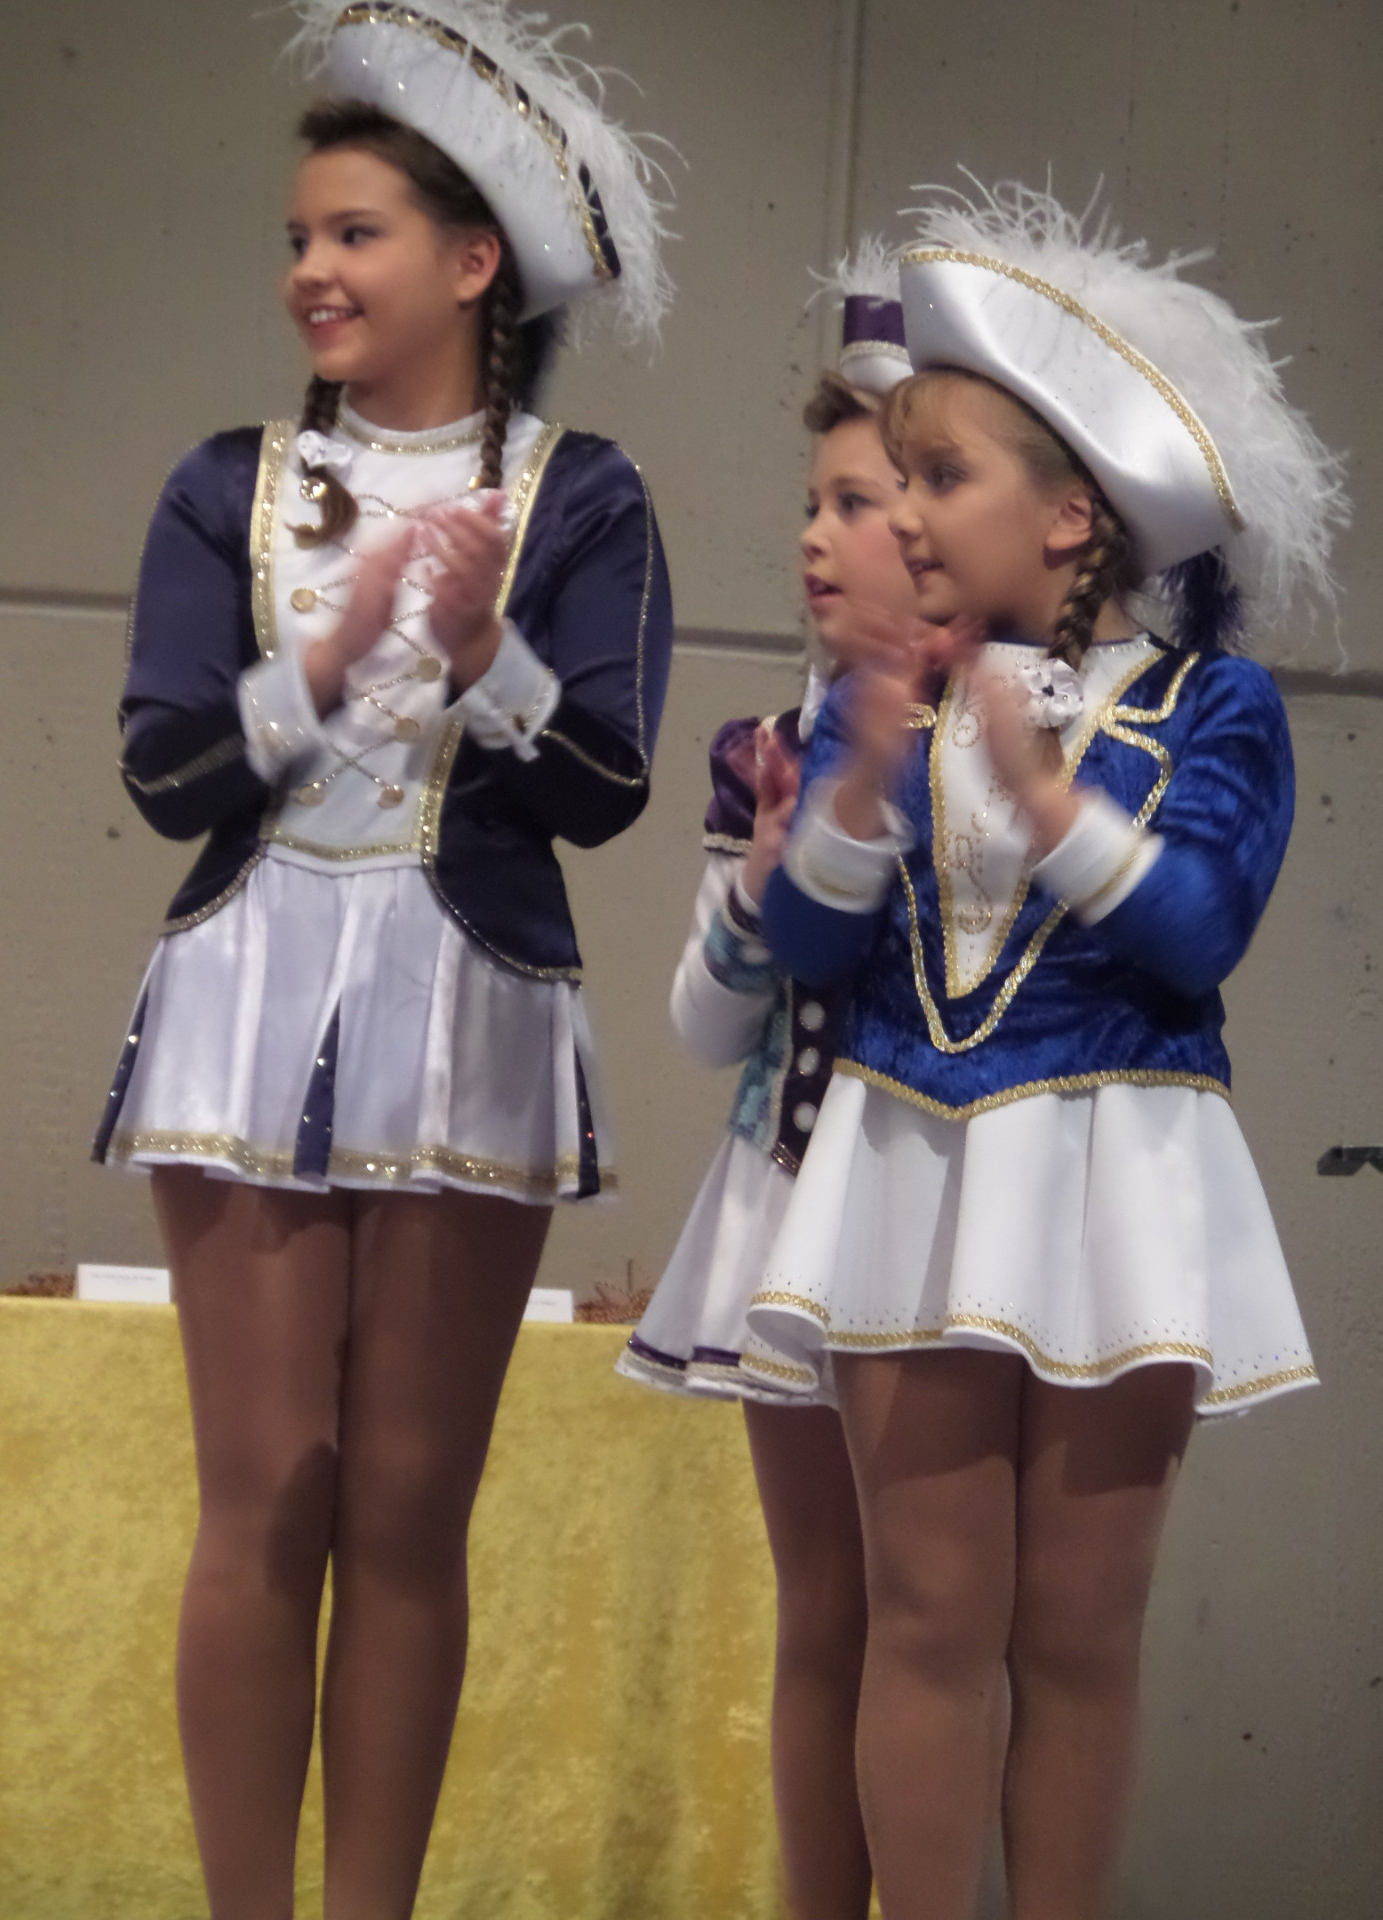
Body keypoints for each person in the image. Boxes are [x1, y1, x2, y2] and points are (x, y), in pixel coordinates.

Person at [92, 3, 672, 1914]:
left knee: (410, 1509)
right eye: (299, 237)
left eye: (354, 232)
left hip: (470, 1001)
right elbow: (165, 772)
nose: (312, 270)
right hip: (249, 988)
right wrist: (328, 660)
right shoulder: (225, 483)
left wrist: (488, 652)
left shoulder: (584, 497)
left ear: (473, 261)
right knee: (267, 1487)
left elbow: (606, 790)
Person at [750, 183, 1347, 1920]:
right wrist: (861, 784)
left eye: (942, 478)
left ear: (1074, 516)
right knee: (928, 1615)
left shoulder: (1207, 704)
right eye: (898, 479)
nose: (906, 515)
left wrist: (1046, 799)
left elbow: (1201, 931)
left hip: (1113, 1175)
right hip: (909, 1162)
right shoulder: (885, 695)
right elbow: (807, 954)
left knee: (1078, 1629)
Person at [619, 248, 913, 1920]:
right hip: (784, 1194)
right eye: (812, 502)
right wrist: (753, 882)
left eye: (855, 504)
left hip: (936, 1199)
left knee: (938, 1619)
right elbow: (701, 1028)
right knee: (828, 1611)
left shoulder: (997, 741)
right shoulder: (764, 752)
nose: (814, 535)